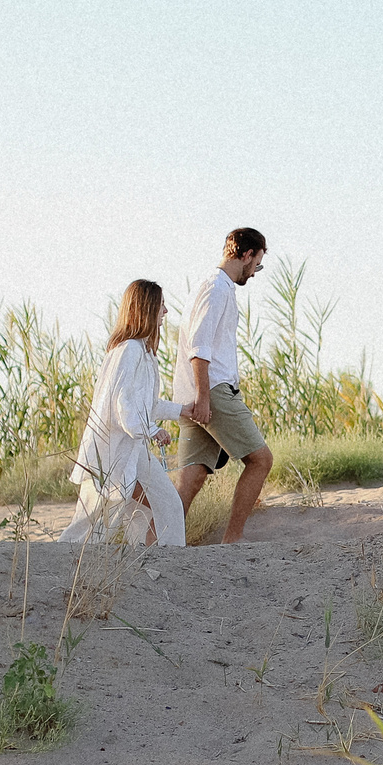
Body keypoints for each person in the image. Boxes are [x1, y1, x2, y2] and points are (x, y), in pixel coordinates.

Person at [61, 279, 188, 547]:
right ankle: (53, 567)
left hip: (132, 449)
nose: (165, 312)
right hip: (111, 450)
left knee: (167, 506)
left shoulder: (144, 353)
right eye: (161, 305)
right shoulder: (128, 350)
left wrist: (183, 411)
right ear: (147, 308)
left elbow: (147, 405)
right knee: (91, 522)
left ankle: (163, 569)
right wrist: (151, 430)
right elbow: (122, 406)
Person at [174, 226, 276, 544]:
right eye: (256, 264)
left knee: (193, 476)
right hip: (212, 390)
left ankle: (163, 543)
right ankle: (232, 539)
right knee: (260, 460)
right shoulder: (216, 288)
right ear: (246, 255)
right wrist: (205, 397)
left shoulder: (215, 286)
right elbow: (199, 348)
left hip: (195, 392)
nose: (255, 272)